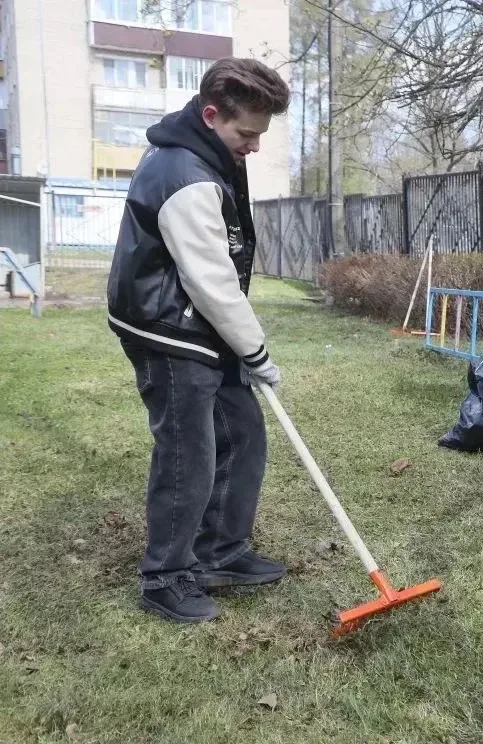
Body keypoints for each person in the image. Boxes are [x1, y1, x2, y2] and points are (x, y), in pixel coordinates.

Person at [106, 58, 290, 623]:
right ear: (212, 115)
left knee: (243, 433)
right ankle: (165, 577)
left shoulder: (209, 155)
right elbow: (211, 280)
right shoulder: (183, 175)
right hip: (168, 329)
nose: (255, 145)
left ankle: (220, 553)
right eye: (247, 133)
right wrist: (255, 351)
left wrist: (240, 347)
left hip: (199, 323)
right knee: (189, 454)